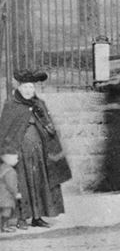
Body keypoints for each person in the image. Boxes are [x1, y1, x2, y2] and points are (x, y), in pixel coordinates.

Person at [0, 70, 72, 228]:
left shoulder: (39, 104)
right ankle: (21, 219)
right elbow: (5, 131)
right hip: (20, 154)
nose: (28, 90)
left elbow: (48, 126)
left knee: (39, 182)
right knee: (21, 184)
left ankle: (37, 217)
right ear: (19, 87)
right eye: (25, 87)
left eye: (31, 87)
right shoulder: (11, 105)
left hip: (39, 152)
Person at [0, 152, 21, 233]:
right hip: (6, 196)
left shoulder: (2, 168)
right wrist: (16, 194)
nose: (17, 160)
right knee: (7, 212)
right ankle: (4, 226)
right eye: (16, 159)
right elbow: (11, 185)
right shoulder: (11, 171)